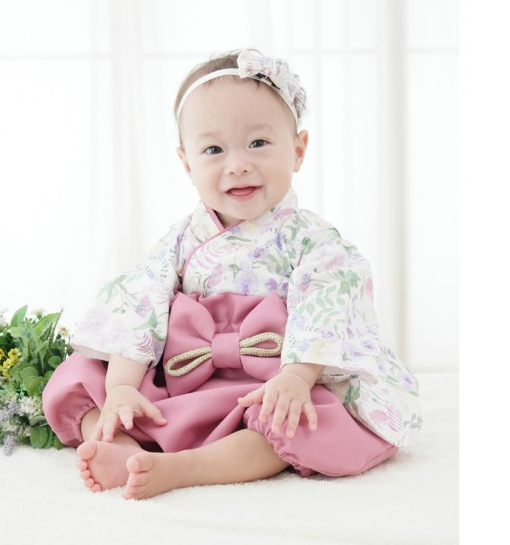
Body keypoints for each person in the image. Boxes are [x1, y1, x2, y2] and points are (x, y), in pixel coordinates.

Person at [42, 49, 422, 500]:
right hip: (186, 379)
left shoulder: (313, 241)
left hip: (269, 384)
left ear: (298, 150)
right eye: (214, 150)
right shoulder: (181, 239)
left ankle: (184, 468)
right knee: (80, 377)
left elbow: (327, 306)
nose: (237, 164)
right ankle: (120, 447)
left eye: (258, 143)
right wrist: (122, 387)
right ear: (188, 164)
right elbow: (139, 301)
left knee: (299, 421)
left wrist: (296, 378)